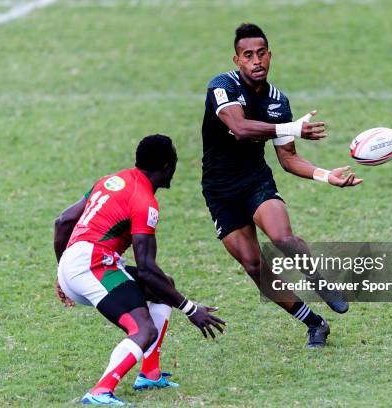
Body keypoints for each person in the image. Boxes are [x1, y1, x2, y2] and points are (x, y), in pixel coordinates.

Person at [200, 23, 362, 348]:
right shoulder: (222, 87)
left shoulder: (278, 102)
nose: (256, 61)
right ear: (237, 60)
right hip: (219, 190)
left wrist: (326, 175)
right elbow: (241, 127)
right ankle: (314, 323)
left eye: (261, 54)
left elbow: (288, 159)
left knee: (281, 237)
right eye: (248, 55)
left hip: (254, 180)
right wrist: (291, 127)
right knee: (253, 265)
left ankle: (320, 282)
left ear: (270, 56)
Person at [54, 134, 225, 406]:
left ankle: (150, 373)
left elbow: (63, 221)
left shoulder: (112, 180)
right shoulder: (144, 202)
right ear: (168, 167)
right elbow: (146, 269)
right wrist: (191, 309)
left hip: (76, 262)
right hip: (93, 265)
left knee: (163, 287)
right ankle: (100, 391)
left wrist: (61, 271)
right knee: (144, 330)